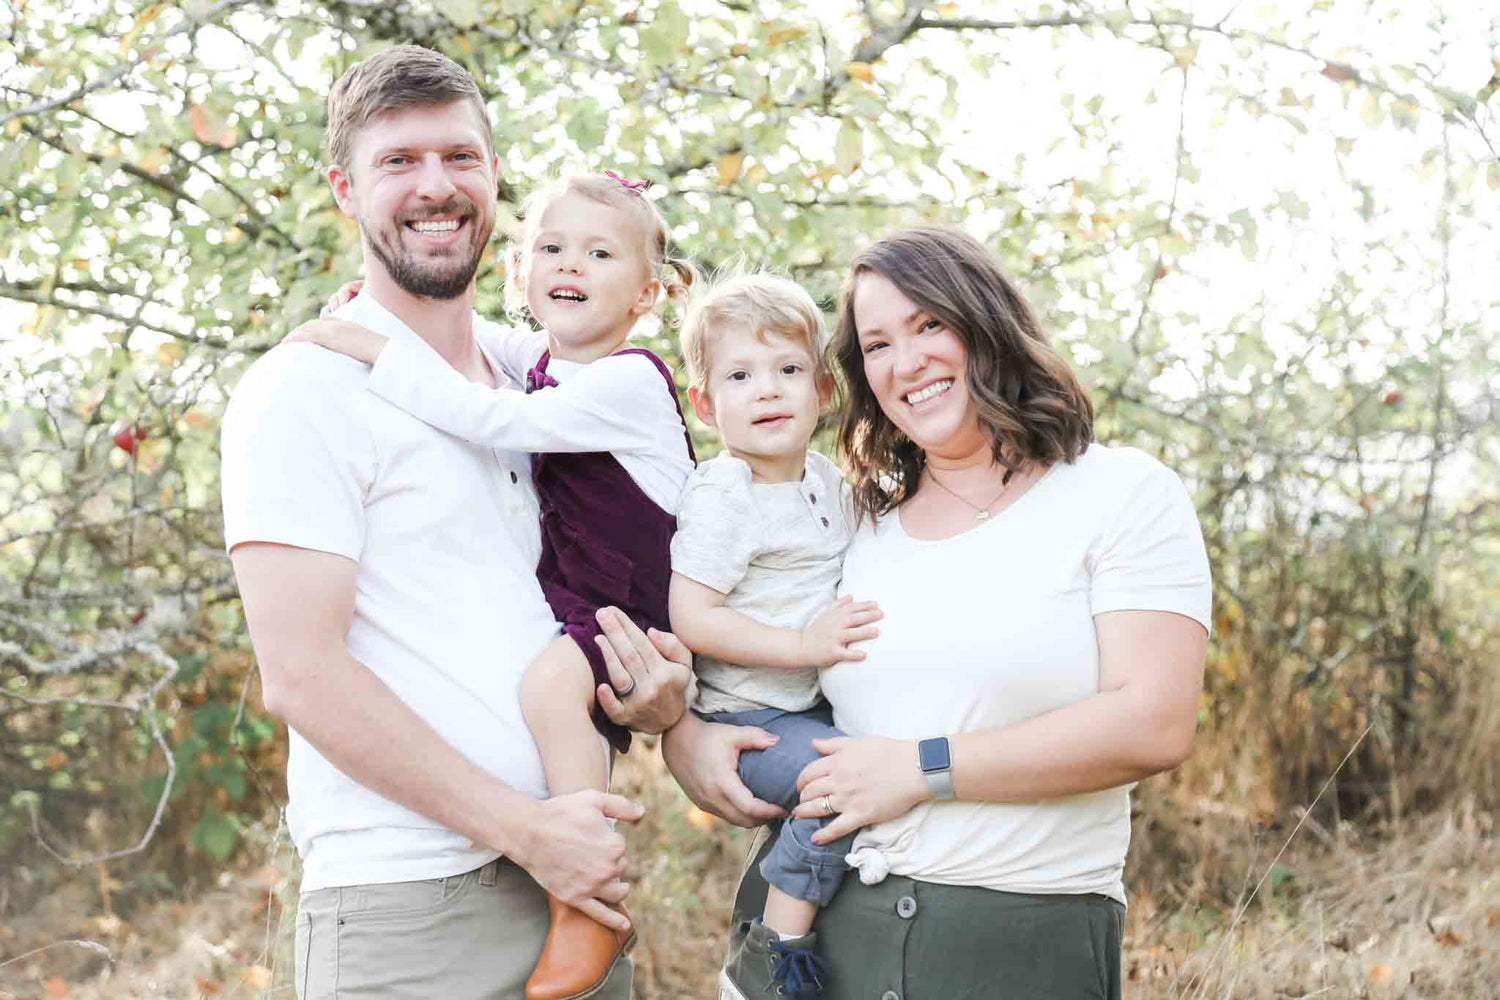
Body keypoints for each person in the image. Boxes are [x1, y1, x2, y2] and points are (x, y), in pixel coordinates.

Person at [220, 46, 690, 1000]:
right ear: (345, 191)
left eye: (459, 157)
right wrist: (529, 833)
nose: (435, 186)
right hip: (410, 913)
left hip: (580, 895)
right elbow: (302, 678)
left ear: (495, 177)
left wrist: (654, 699)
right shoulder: (300, 391)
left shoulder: (546, 383)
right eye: (398, 161)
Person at [662, 227, 1212, 999]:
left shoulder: (1118, 492)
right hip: (810, 954)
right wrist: (684, 736)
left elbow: (1153, 725)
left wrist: (922, 769)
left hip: (1012, 949)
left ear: (986, 322)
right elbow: (724, 628)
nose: (907, 362)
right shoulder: (855, 520)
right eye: (877, 344)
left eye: (929, 325)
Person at [666, 272, 882, 999]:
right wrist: (803, 648)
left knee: (878, 776)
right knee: (840, 787)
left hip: (813, 707)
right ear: (705, 403)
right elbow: (693, 616)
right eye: (740, 375)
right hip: (749, 716)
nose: (767, 390)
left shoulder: (826, 479)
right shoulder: (726, 494)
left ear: (823, 390)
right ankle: (773, 960)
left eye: (788, 370)